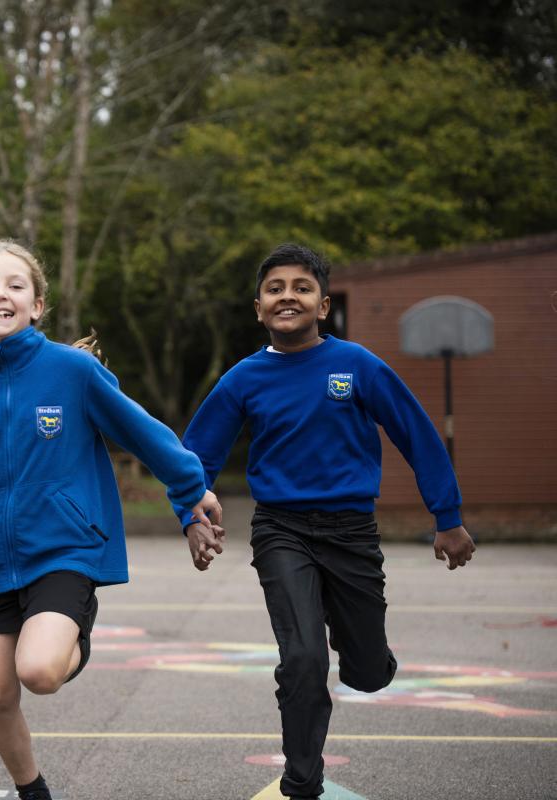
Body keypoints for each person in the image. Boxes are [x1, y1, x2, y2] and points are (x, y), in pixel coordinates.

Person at [0, 241, 222, 800]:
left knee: (38, 671)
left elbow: (144, 434)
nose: (0, 294)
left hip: (65, 550)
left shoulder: (74, 371)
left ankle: (73, 632)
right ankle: (33, 791)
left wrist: (190, 495)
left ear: (37, 305)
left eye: (15, 285)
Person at [171, 243, 476, 800]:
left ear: (324, 305)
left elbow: (417, 434)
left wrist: (447, 516)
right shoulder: (244, 378)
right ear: (259, 308)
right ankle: (302, 782)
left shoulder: (358, 365)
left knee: (368, 673)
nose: (288, 296)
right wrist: (190, 512)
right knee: (304, 659)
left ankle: (354, 637)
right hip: (281, 530)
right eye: (275, 289)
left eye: (301, 287)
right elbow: (194, 456)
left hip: (351, 532)